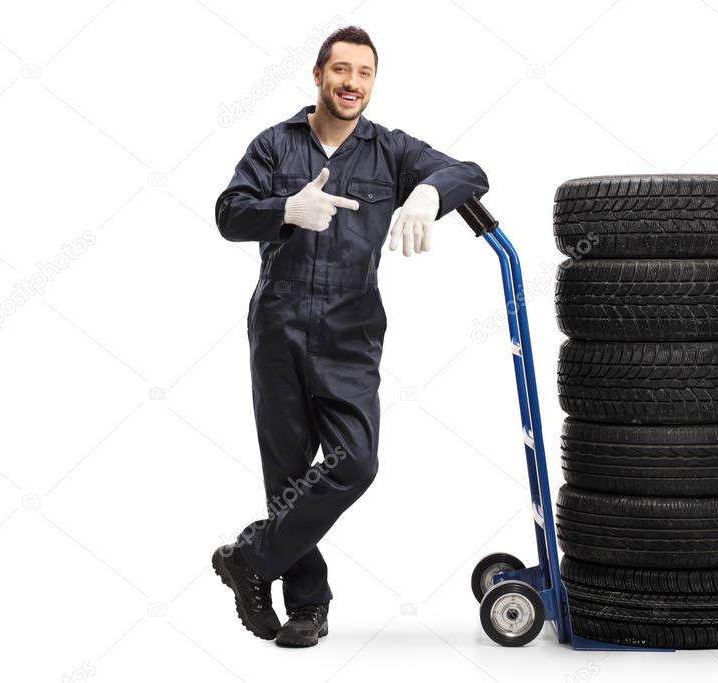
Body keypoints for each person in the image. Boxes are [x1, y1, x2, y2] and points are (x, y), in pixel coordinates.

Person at [211, 25, 489, 647]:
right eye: (341, 70)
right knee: (287, 470)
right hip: (278, 324)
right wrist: (284, 209)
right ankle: (308, 606)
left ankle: (251, 558)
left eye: (364, 73)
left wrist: (426, 192)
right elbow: (229, 212)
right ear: (317, 75)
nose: (352, 84)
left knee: (354, 463)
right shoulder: (275, 145)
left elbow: (470, 172)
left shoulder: (388, 150)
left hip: (351, 330)